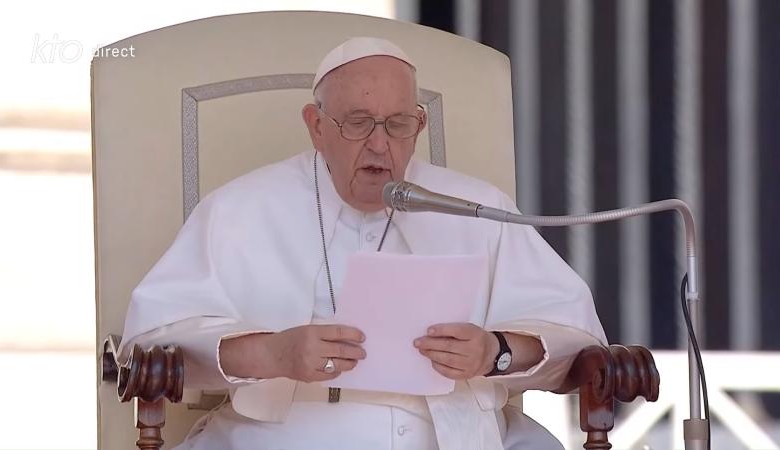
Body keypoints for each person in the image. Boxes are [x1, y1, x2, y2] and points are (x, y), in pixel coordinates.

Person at [119, 37, 606, 450]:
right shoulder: (239, 209)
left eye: (398, 124)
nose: (380, 145)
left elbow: (575, 335)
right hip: (289, 435)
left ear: (418, 125)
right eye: (357, 122)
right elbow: (151, 345)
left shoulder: (475, 206)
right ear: (315, 125)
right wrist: (274, 354)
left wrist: (495, 351)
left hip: (452, 433)